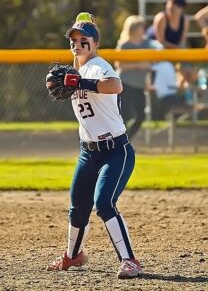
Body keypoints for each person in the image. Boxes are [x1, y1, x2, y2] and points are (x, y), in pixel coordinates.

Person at [46, 18, 142, 279]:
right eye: (73, 41)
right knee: (78, 207)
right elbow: (72, 83)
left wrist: (81, 83)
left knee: (104, 202)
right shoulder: (76, 71)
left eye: (83, 39)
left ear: (95, 44)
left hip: (115, 150)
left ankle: (129, 260)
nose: (77, 43)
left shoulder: (99, 66)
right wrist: (65, 82)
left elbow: (116, 85)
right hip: (88, 152)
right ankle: (72, 255)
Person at [115, 15, 162, 139]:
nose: (143, 30)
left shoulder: (147, 44)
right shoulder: (125, 45)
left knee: (140, 116)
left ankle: (127, 140)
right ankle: (119, 143)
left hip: (139, 86)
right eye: (141, 27)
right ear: (134, 29)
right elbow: (119, 65)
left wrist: (148, 84)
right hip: (125, 84)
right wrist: (138, 65)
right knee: (123, 116)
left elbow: (148, 67)